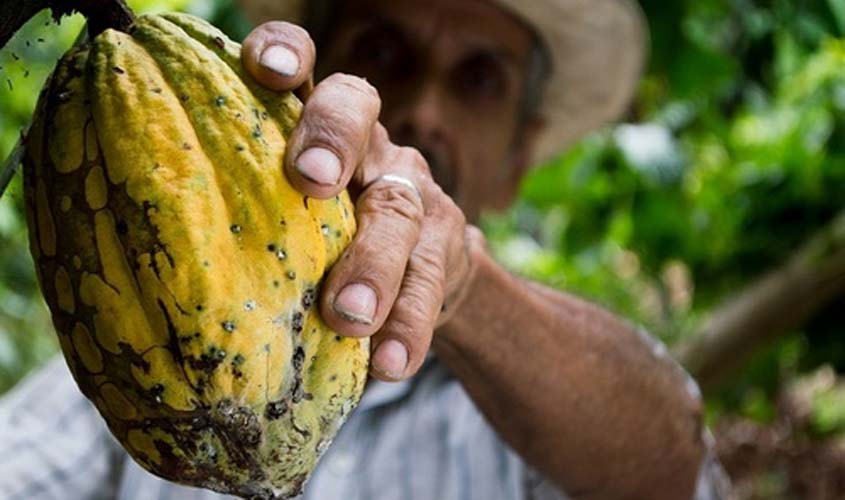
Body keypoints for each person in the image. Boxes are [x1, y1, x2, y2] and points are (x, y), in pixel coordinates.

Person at [0, 0, 730, 498]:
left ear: (519, 156)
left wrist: (464, 286)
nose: (423, 109)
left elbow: (669, 462)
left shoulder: (539, 414)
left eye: (478, 79)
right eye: (383, 50)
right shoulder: (136, 350)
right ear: (298, 81)